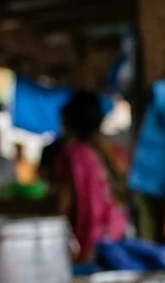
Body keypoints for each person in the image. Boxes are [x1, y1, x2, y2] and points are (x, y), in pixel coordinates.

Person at [50, 91, 128, 263]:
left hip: (89, 240)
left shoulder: (73, 155)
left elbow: (65, 201)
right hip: (113, 237)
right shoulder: (105, 153)